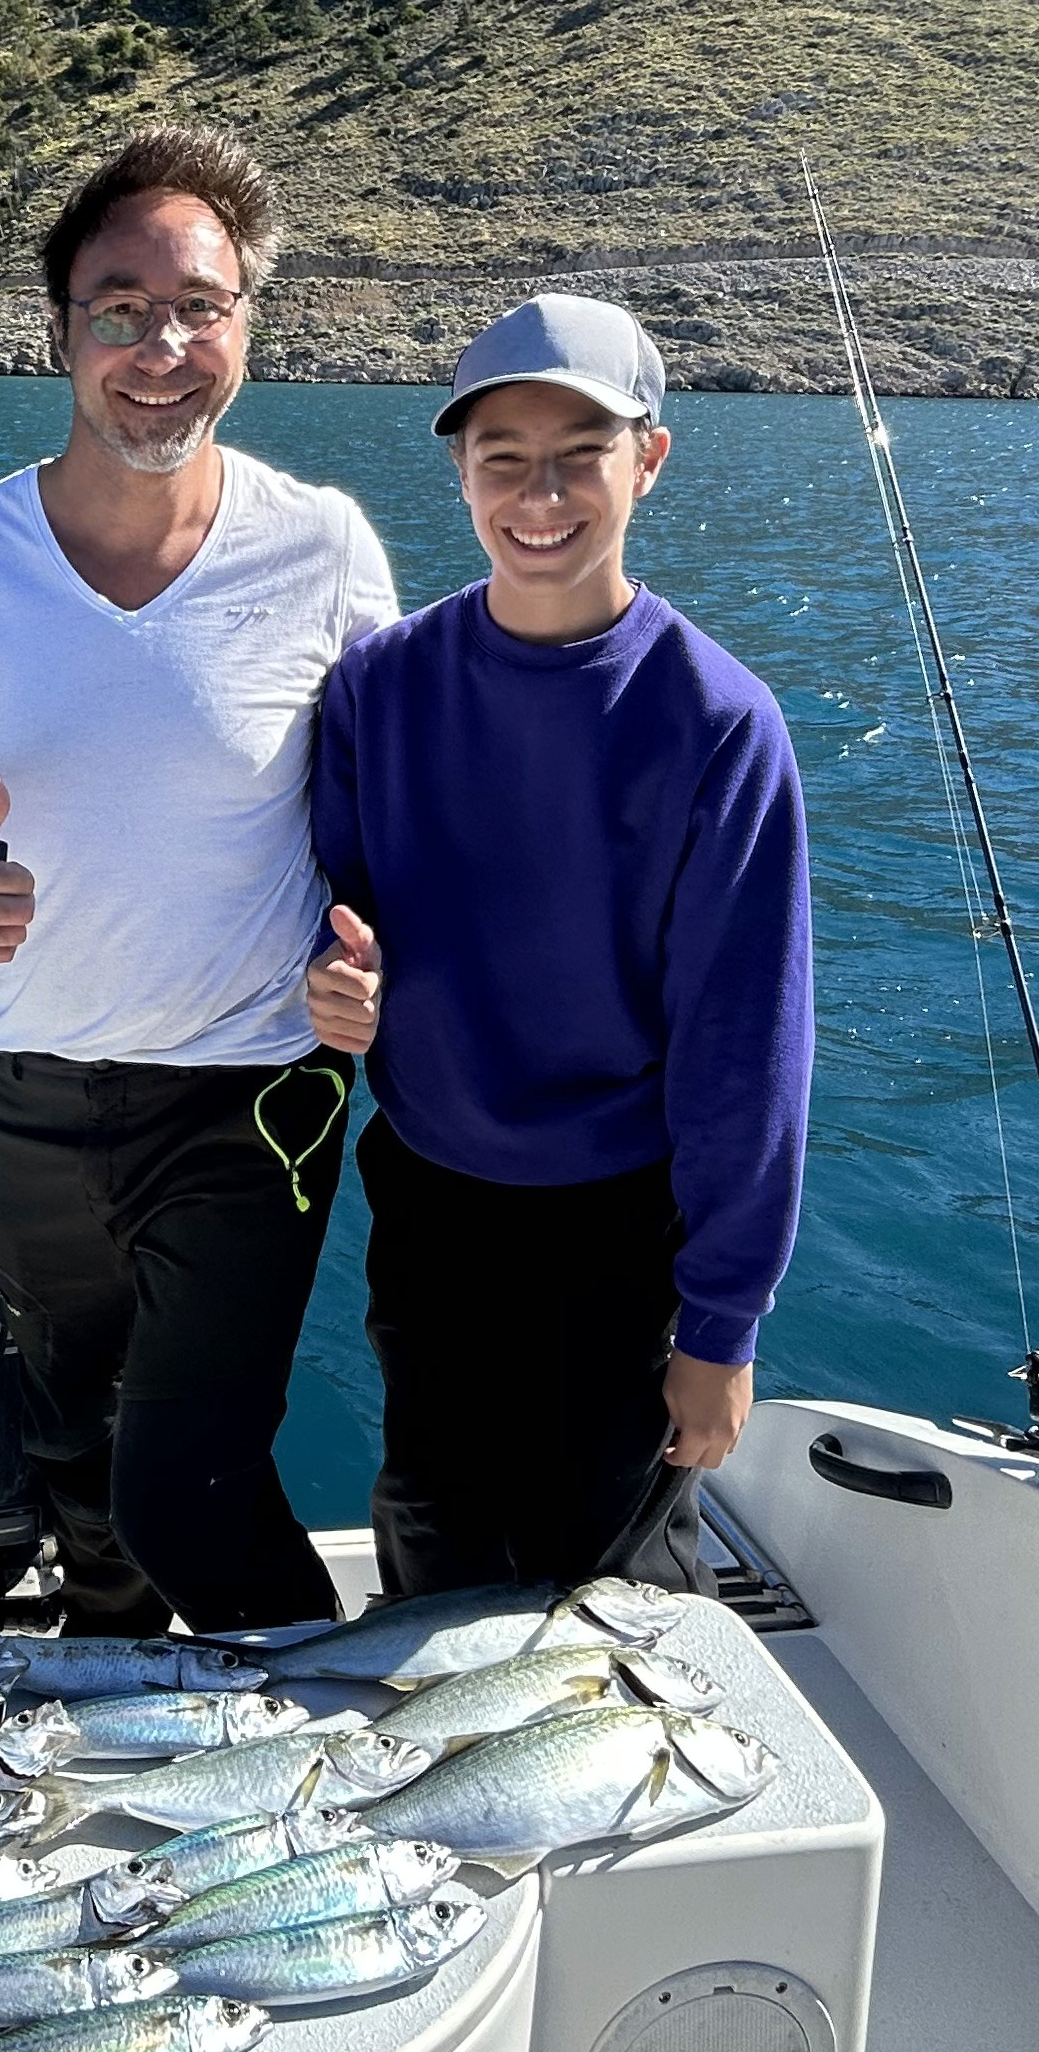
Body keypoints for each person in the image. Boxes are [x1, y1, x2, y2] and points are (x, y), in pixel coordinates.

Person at [0, 125, 398, 1634]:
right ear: (60, 333)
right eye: (121, 307)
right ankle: (110, 1692)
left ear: (248, 328)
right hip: (26, 1082)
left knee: (190, 1476)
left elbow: (388, 834)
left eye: (201, 306)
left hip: (252, 1098)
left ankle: (347, 1768)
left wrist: (373, 962)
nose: (163, 346)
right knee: (70, 1451)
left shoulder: (327, 551)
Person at [302, 293, 811, 1596]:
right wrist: (340, 983)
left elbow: (744, 1055)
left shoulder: (721, 726)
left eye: (579, 452)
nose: (539, 492)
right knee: (431, 1529)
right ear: (461, 470)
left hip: (621, 1231)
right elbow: (339, 907)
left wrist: (720, 1327)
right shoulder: (380, 686)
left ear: (649, 458)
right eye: (502, 456)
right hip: (431, 1204)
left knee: (609, 1589)